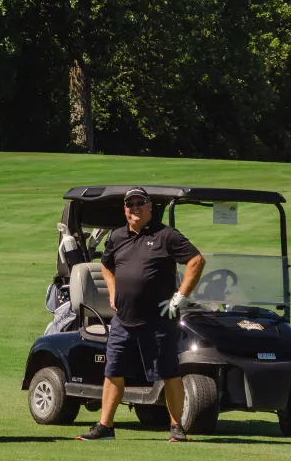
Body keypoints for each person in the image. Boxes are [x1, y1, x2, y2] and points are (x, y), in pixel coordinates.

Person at [77, 187, 205, 442]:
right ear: (125, 209)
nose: (134, 207)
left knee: (169, 373)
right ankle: (105, 426)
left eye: (139, 203)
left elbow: (196, 261)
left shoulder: (165, 235)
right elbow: (106, 265)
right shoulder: (116, 236)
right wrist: (113, 292)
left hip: (157, 320)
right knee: (113, 371)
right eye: (129, 204)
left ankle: (176, 428)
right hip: (124, 320)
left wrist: (180, 296)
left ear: (149, 207)